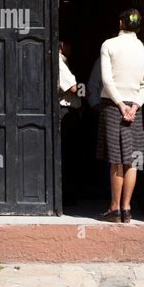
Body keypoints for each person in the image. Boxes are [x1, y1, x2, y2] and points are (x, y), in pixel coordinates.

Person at [96, 9, 144, 224]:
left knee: (116, 161)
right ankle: (127, 209)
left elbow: (106, 80)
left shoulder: (108, 45)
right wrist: (134, 106)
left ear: (120, 23)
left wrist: (119, 104)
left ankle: (114, 208)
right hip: (135, 107)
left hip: (112, 105)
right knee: (132, 160)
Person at [59, 41, 82, 196]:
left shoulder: (64, 61)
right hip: (65, 112)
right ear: (61, 44)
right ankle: (67, 194)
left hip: (70, 111)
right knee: (68, 154)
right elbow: (73, 88)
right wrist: (87, 91)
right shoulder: (58, 61)